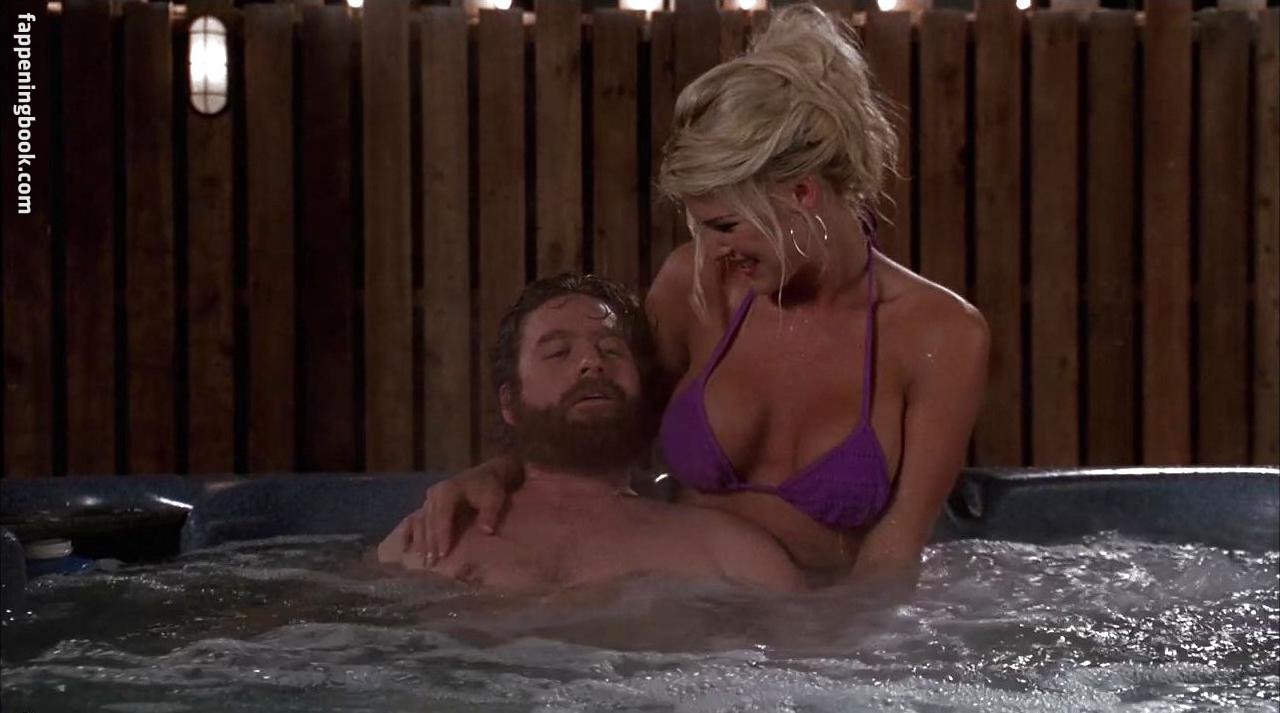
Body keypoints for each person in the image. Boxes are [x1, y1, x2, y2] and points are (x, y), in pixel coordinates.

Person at [406, 4, 988, 594]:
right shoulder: (695, 284)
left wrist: (829, 647)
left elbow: (895, 551)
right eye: (701, 229)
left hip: (815, 616)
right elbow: (608, 415)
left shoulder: (940, 334)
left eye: (726, 226)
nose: (712, 250)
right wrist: (498, 473)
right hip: (674, 609)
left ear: (802, 192)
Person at [377, 274, 804, 594]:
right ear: (509, 402)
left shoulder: (729, 552)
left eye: (611, 349)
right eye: (558, 352)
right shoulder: (432, 537)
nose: (591, 363)